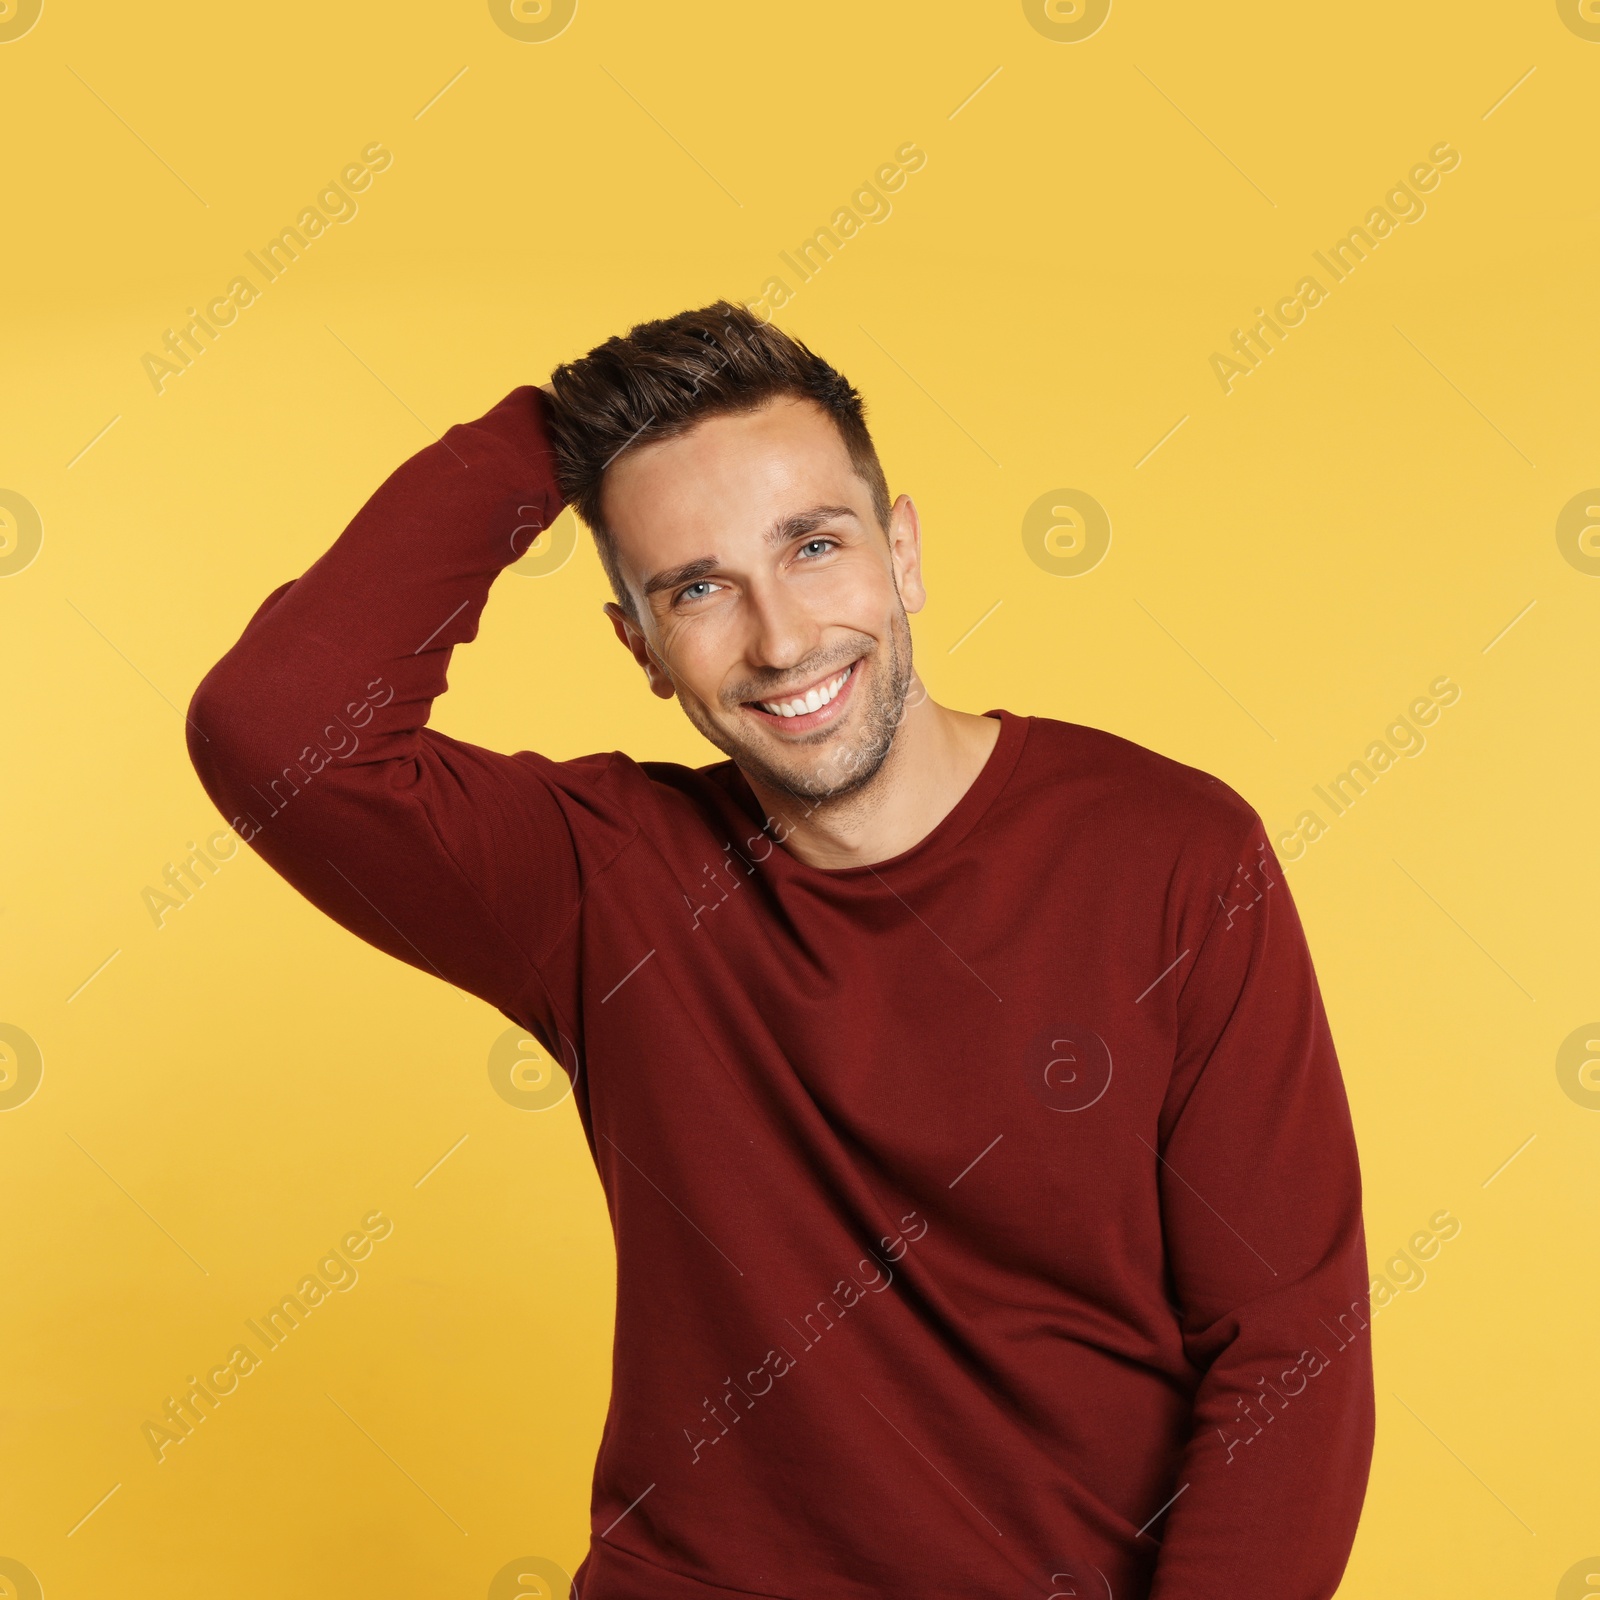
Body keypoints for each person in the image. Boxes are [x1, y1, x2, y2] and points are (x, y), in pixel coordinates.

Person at [186, 300, 1374, 1599]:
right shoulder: (607, 885)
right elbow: (274, 730)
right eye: (698, 587)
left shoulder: (1173, 857)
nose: (783, 638)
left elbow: (1289, 1349)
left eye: (813, 545)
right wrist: (556, 432)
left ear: (904, 553)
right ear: (639, 647)